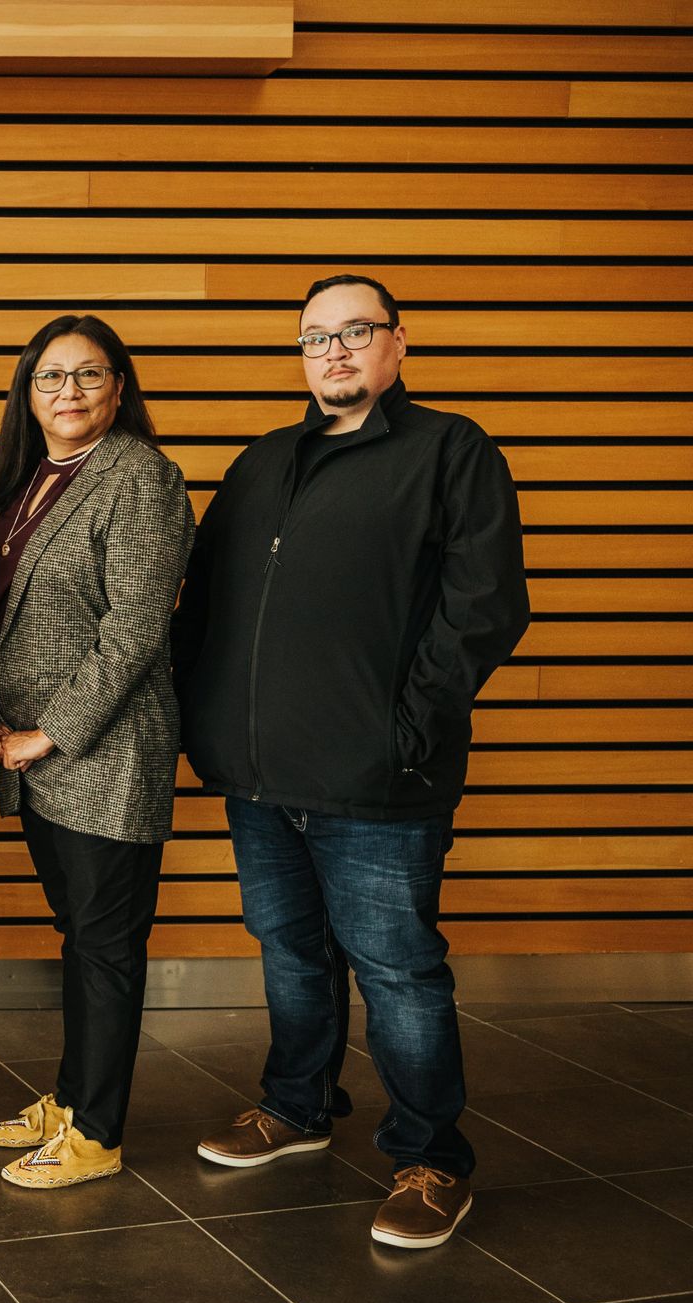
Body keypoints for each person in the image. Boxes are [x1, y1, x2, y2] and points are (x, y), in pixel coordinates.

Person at [173, 275, 530, 1249]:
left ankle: (428, 1157)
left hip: (379, 780)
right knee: (289, 951)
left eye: (353, 332)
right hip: (256, 775)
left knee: (399, 973)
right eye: (312, 338)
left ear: (396, 344)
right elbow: (203, 608)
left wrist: (402, 727)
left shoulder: (446, 450)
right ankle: (293, 1104)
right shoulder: (260, 464)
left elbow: (484, 608)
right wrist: (204, 729)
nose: (331, 352)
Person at [0, 316, 194, 1189]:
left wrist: (48, 731)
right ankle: (69, 1095)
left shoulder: (141, 476)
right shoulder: (25, 481)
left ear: (120, 388)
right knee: (80, 934)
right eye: (50, 377)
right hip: (28, 754)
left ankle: (96, 1130)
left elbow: (134, 628)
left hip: (104, 751)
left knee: (104, 943)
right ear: (28, 392)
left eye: (88, 375)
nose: (68, 391)